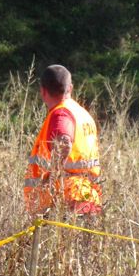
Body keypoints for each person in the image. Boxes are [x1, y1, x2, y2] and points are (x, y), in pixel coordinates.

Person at [23, 64, 102, 216]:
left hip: (67, 200)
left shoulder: (61, 114)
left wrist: (52, 179)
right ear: (70, 88)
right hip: (86, 196)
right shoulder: (82, 114)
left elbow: (64, 141)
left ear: (43, 91)